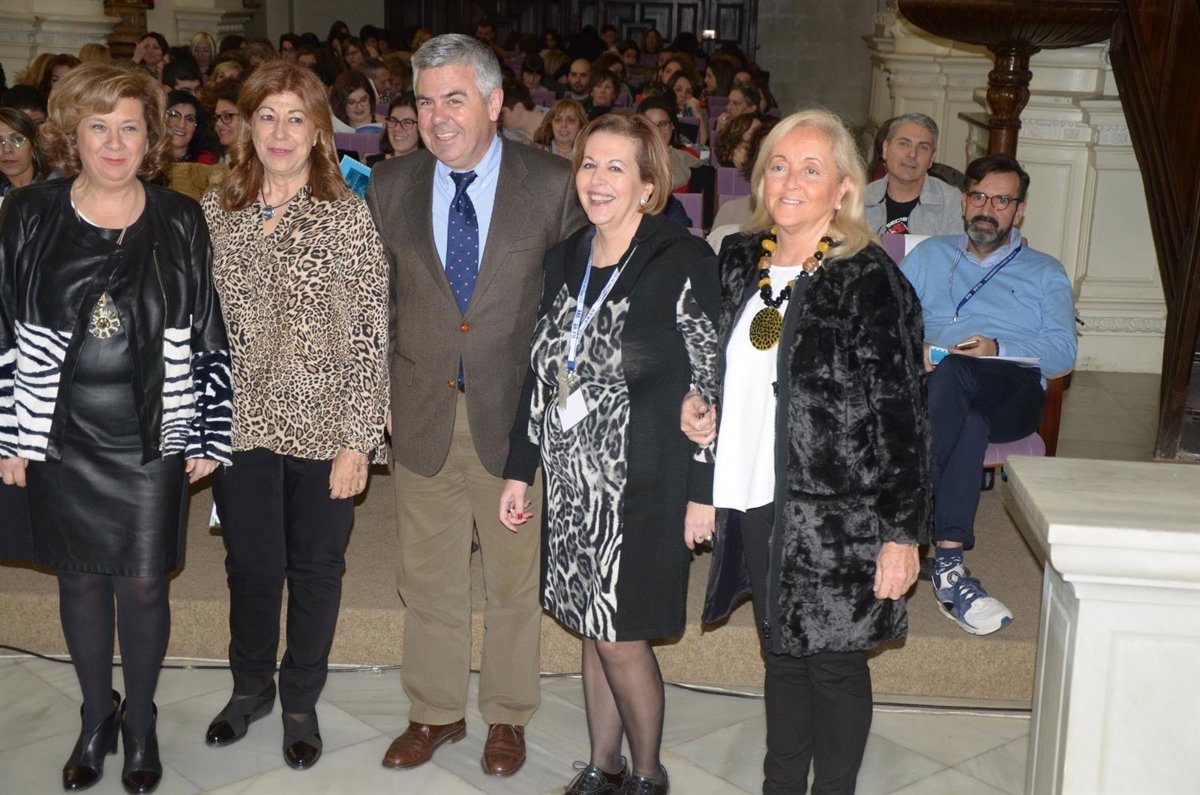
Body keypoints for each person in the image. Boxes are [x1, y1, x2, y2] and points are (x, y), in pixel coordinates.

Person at [0, 61, 231, 794]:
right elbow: (2, 322)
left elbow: (207, 326)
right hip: (60, 429)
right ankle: (97, 715)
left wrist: (208, 430)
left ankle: (142, 720)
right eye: (98, 126)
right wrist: (9, 434)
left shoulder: (179, 216)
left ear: (150, 137)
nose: (114, 142)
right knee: (78, 577)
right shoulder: (29, 211)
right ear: (71, 134)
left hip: (150, 429)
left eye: (130, 127)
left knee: (144, 583)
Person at [683, 109, 930, 794]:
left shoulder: (869, 279)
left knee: (834, 665)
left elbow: (904, 418)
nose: (791, 181)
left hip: (838, 517)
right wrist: (701, 409)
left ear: (844, 187)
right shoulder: (741, 258)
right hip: (755, 495)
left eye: (811, 168)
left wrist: (902, 535)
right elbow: (722, 370)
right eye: (780, 165)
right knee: (782, 653)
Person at [365, 33, 585, 777]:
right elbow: (379, 302)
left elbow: (574, 310)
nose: (437, 117)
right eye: (425, 102)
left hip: (514, 421)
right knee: (426, 578)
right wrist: (380, 392)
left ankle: (507, 715)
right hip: (420, 411)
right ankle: (434, 710)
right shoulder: (391, 184)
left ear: (494, 103)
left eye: (454, 99)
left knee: (513, 581)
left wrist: (558, 407)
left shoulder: (551, 184)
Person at [501, 113, 719, 794]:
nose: (597, 179)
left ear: (648, 184)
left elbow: (712, 387)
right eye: (588, 164)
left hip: (644, 482)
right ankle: (604, 765)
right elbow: (543, 370)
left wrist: (703, 494)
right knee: (591, 628)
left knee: (622, 636)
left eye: (615, 167)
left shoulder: (681, 260)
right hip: (572, 485)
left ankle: (648, 775)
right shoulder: (566, 256)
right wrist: (520, 469)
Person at [200, 61, 389, 771]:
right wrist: (199, 424)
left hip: (324, 426)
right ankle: (250, 687)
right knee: (250, 566)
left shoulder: (346, 214)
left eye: (296, 118)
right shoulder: (215, 211)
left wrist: (358, 441)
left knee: (315, 569)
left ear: (318, 133)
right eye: (267, 116)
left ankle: (300, 700)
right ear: (247, 126)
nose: (280, 132)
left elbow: (368, 332)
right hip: (239, 423)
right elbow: (196, 329)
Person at [899, 153, 1076, 636]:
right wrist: (919, 351)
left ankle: (904, 519)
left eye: (1001, 201)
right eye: (978, 197)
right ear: (964, 202)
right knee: (968, 417)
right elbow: (884, 324)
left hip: (1011, 389)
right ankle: (949, 566)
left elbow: (1062, 354)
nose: (987, 209)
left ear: (1019, 211)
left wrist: (998, 347)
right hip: (939, 385)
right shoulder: (928, 257)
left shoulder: (1045, 271)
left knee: (962, 374)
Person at [864, 113, 962, 236]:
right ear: (885, 149)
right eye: (904, 144)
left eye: (923, 147)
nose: (912, 154)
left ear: (931, 158)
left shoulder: (952, 203)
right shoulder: (861, 200)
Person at [637, 96, 698, 191]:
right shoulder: (631, 160)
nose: (657, 131)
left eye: (663, 124)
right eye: (650, 125)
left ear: (672, 125)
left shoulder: (689, 157)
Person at [0, 107, 48, 199]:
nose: (7, 149)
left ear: (34, 146)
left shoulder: (57, 188)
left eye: (17, 140)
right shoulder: (4, 193)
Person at [368, 91, 422, 165]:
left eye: (407, 122)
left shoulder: (432, 168)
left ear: (421, 128)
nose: (397, 128)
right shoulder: (372, 165)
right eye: (393, 121)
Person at [165, 89, 216, 164]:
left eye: (190, 119)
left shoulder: (207, 162)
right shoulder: (148, 156)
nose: (181, 125)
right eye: (174, 115)